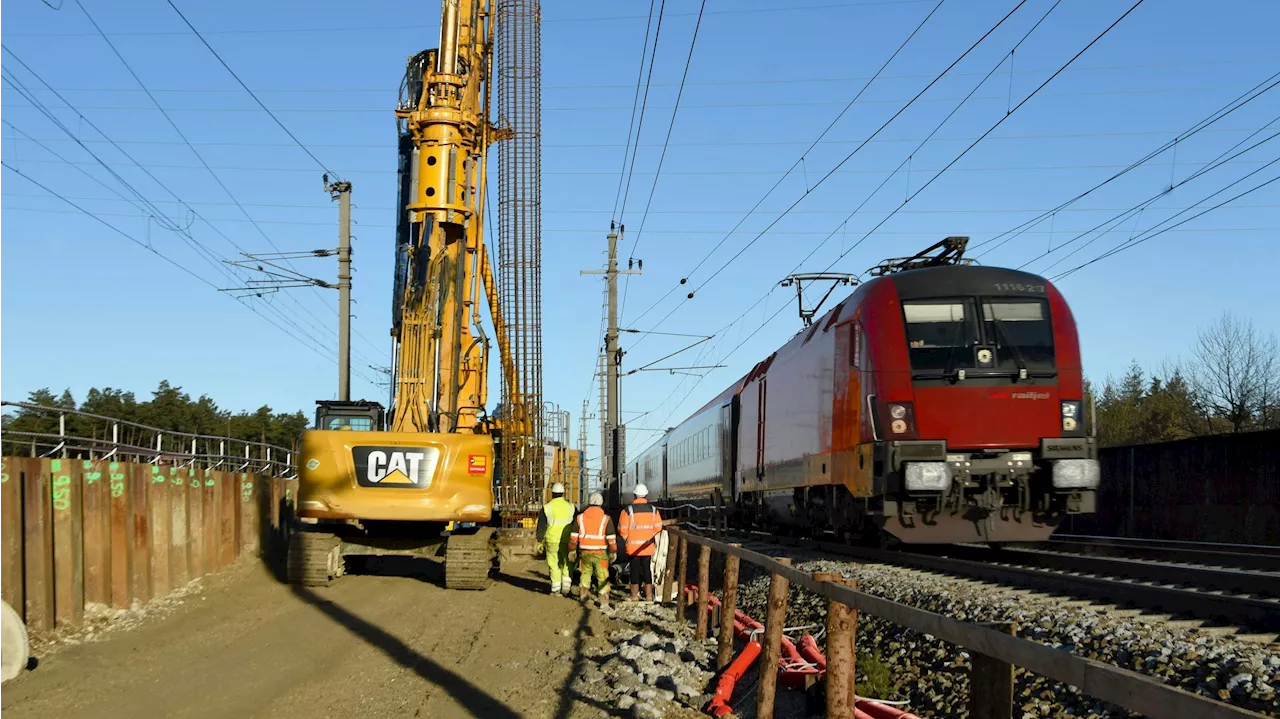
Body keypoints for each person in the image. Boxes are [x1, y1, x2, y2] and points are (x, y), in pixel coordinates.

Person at [568, 491, 617, 608]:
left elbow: (573, 538)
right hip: (600, 553)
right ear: (601, 504)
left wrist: (572, 550)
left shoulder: (580, 518)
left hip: (584, 552)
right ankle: (604, 602)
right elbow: (611, 539)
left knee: (585, 574)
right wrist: (613, 551)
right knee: (603, 577)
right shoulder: (606, 519)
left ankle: (583, 597)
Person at [617, 483, 663, 602]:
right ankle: (648, 596)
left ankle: (634, 595)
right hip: (647, 547)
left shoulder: (627, 511)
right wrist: (649, 536)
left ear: (634, 495)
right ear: (646, 495)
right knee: (647, 569)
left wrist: (628, 539)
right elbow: (658, 527)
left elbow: (622, 529)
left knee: (634, 570)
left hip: (633, 548)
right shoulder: (653, 510)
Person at [535, 482, 576, 596]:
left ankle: (555, 588)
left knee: (554, 564)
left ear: (552, 494)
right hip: (567, 540)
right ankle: (567, 587)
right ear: (563, 493)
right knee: (566, 562)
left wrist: (539, 540)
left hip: (552, 540)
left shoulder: (547, 507)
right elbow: (576, 524)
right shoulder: (571, 507)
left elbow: (541, 526)